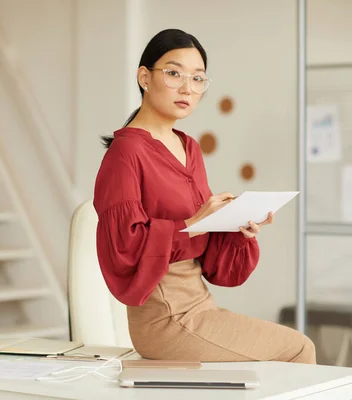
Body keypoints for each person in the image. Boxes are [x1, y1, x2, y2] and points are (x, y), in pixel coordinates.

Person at [93, 28, 316, 364]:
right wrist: (194, 224)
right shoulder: (125, 153)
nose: (187, 88)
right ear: (144, 77)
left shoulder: (190, 149)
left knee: (284, 358)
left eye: (198, 79)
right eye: (173, 73)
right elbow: (122, 248)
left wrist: (236, 229)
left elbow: (212, 261)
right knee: (298, 349)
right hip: (164, 318)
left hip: (200, 305)